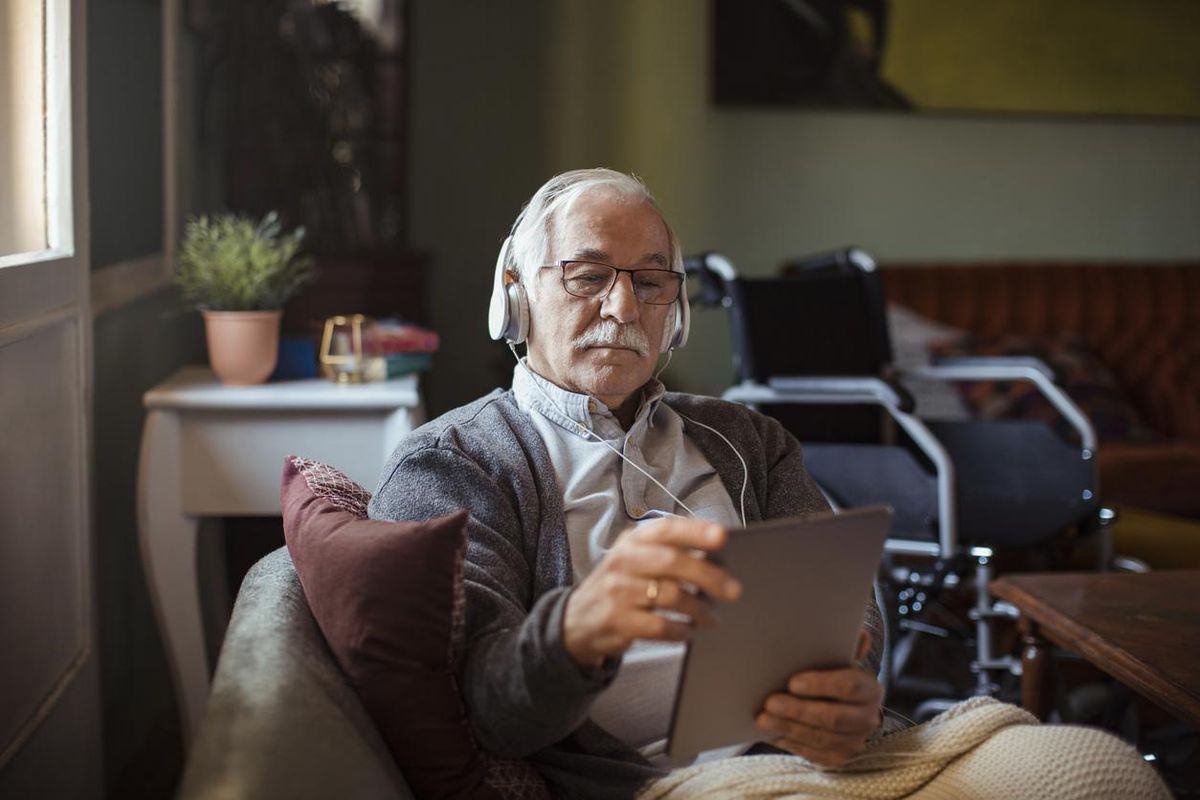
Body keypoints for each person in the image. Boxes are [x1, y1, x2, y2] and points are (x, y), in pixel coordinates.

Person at [368, 168, 887, 798]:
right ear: (515, 295)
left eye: (649, 281)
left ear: (677, 309)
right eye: (587, 276)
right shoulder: (452, 464)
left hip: (818, 770)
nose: (623, 307)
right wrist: (576, 630)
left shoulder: (753, 442)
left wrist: (847, 694)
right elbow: (482, 709)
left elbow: (845, 605)